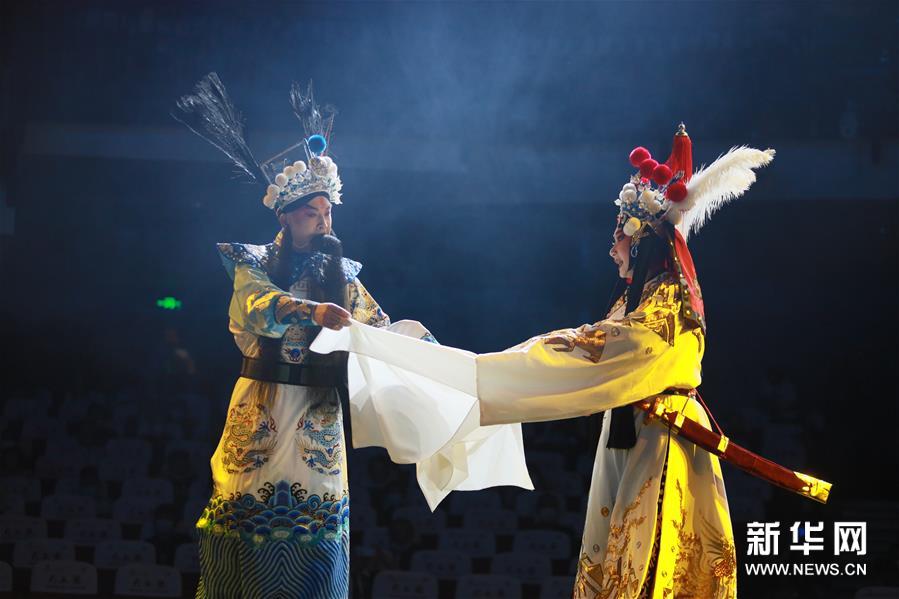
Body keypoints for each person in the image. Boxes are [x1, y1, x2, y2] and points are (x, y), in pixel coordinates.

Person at [312, 124, 776, 598]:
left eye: (618, 235)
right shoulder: (640, 301)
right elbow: (590, 346)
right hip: (636, 432)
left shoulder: (665, 308)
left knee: (650, 567)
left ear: (640, 241)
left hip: (662, 438)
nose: (611, 247)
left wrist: (482, 374)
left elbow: (592, 350)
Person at [174, 74, 404, 598]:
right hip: (263, 404)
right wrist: (311, 310)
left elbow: (380, 329)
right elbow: (258, 309)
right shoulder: (252, 264)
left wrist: (428, 353)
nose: (322, 222)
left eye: (327, 212)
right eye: (310, 213)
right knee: (243, 516)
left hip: (318, 413)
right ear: (285, 217)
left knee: (317, 525)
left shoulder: (342, 275)